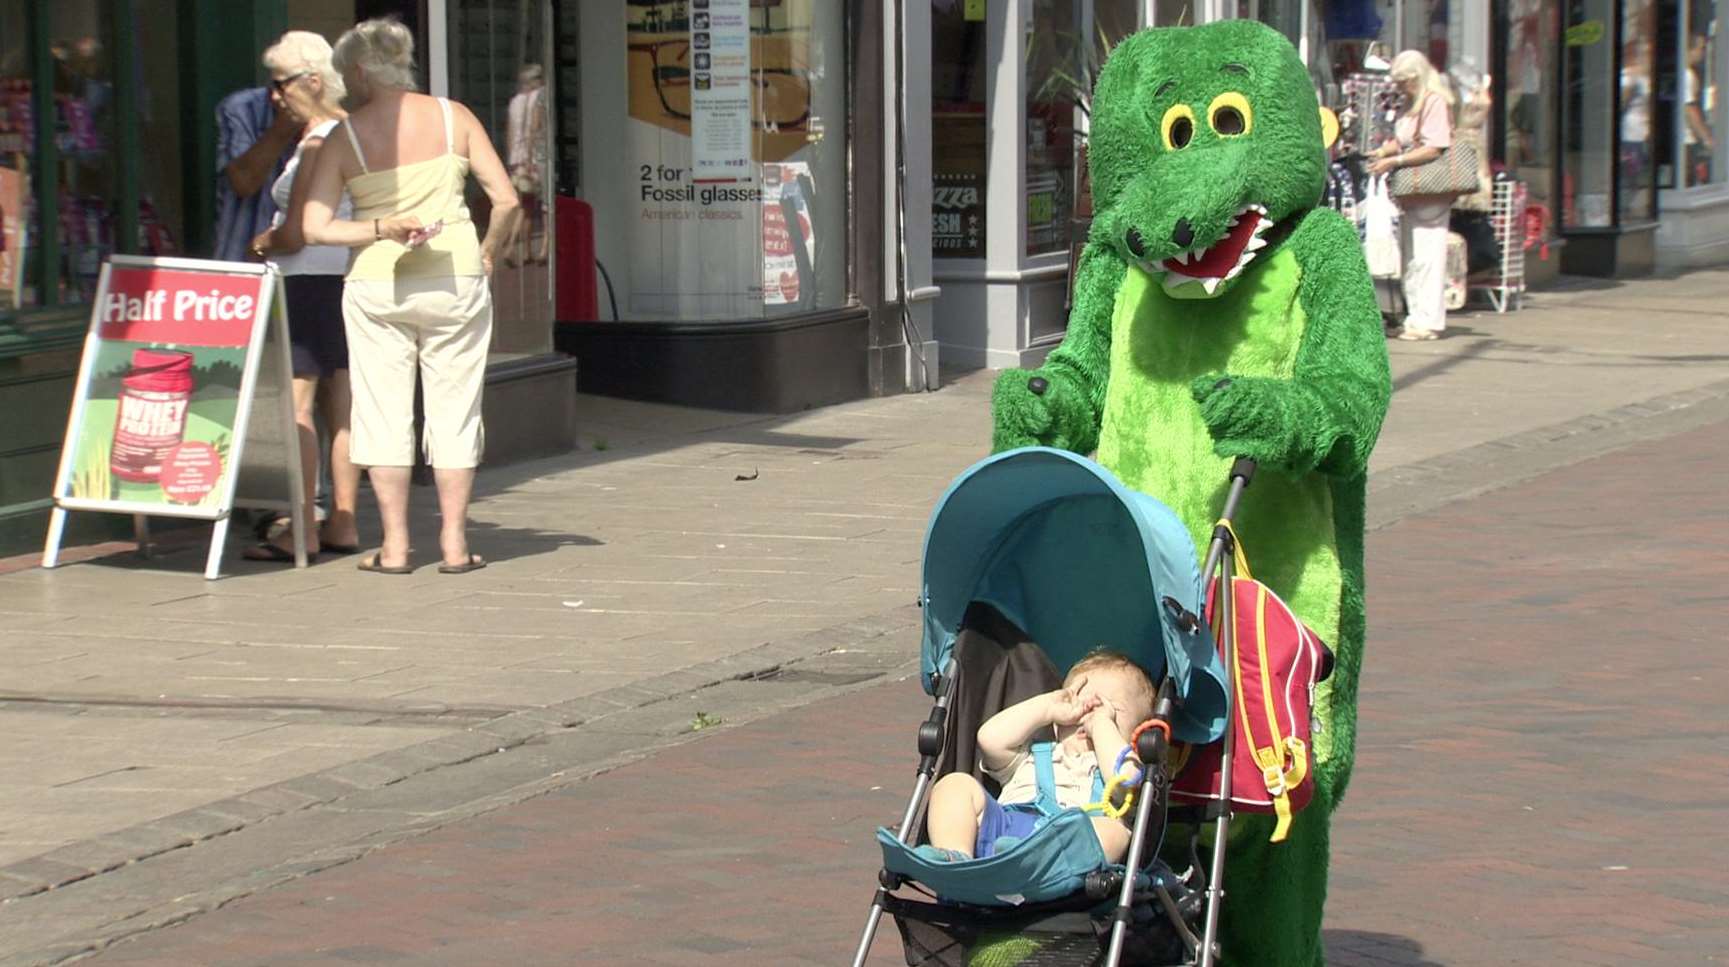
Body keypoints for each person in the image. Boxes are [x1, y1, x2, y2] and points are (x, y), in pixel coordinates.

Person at [303, 17, 520, 575]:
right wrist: (489, 251)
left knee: (382, 412)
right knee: (455, 409)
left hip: (377, 281)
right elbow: (507, 201)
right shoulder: (455, 117)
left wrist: (378, 229)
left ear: (356, 70)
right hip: (454, 276)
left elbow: (315, 227)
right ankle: (453, 542)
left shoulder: (342, 136)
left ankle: (396, 546)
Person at [242, 31, 362, 563]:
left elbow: (297, 232)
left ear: (312, 80)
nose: (274, 95)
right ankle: (343, 521)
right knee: (343, 405)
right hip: (343, 278)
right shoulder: (354, 133)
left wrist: (261, 242)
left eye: (280, 83)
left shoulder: (319, 141)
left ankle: (305, 528)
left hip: (306, 281)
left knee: (298, 406)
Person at [916, 652, 1155, 864]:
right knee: (954, 784)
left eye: (1112, 708)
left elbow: (1126, 779)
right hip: (1005, 834)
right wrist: (1049, 706)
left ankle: (1032, 861)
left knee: (1115, 832)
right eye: (1081, 702)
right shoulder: (1032, 756)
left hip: (1066, 854)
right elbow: (989, 739)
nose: (1090, 710)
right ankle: (955, 856)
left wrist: (1103, 724)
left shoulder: (1120, 767)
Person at [1367, 50, 1457, 341]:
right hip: (1412, 194)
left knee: (1427, 254)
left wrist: (1395, 161)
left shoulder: (1434, 102)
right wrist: (1384, 151)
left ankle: (1428, 321)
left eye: (1404, 81)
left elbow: (1435, 146)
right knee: (1412, 255)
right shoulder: (1413, 102)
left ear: (1417, 77)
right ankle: (1415, 316)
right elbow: (1405, 138)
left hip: (1430, 191)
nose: (1400, 87)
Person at [214, 85, 298, 262]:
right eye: (275, 84)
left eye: (285, 85)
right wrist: (284, 127)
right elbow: (244, 183)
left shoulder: (339, 121)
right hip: (245, 257)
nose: (275, 96)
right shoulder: (244, 107)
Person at [1685, 33, 1715, 187]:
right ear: (1690, 50)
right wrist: (1707, 138)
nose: (1703, 53)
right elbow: (1690, 110)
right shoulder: (1687, 75)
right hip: (1687, 140)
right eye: (1701, 48)